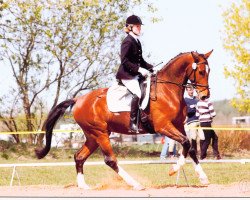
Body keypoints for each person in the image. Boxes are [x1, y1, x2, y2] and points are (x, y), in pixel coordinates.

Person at [116, 15, 153, 132]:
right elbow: (125, 61)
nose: (139, 28)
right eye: (137, 26)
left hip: (134, 74)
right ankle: (132, 123)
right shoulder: (127, 42)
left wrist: (152, 68)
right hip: (126, 75)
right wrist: (139, 70)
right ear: (130, 27)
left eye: (139, 26)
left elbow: (141, 61)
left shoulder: (136, 41)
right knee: (137, 92)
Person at [184, 84, 205, 155]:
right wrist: (193, 108)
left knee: (202, 138)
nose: (191, 91)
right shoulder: (185, 100)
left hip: (199, 121)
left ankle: (202, 154)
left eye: (192, 89)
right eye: (189, 90)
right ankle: (194, 154)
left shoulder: (196, 99)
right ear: (187, 91)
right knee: (193, 138)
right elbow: (187, 111)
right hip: (191, 121)